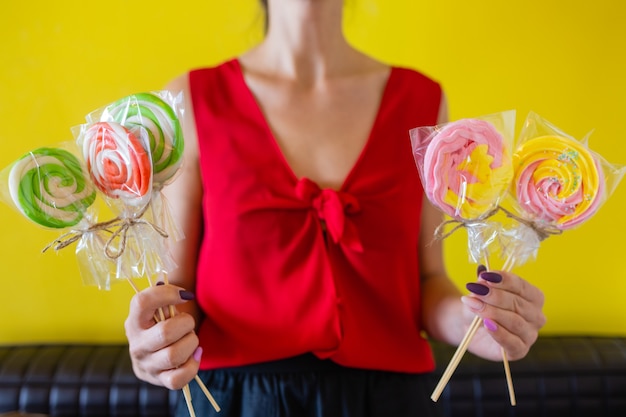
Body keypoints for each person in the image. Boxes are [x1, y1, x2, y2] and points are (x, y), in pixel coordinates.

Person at [124, 1, 546, 416]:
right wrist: (158, 340)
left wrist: (476, 324)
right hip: (235, 398)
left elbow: (428, 280)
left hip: (390, 399)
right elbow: (180, 287)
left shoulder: (422, 99)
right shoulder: (192, 99)